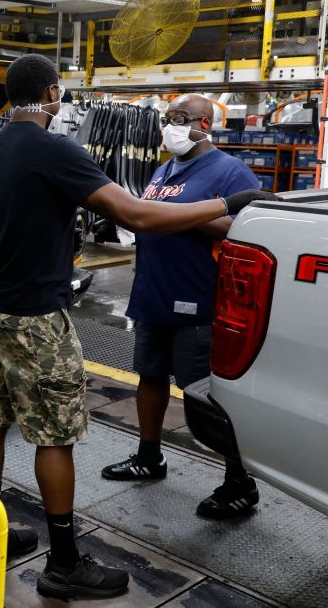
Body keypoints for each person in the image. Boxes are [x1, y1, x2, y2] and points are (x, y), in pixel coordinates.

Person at [0, 54, 273, 600]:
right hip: (33, 314)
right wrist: (226, 202)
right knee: (55, 435)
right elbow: (139, 217)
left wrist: (17, 238)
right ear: (52, 94)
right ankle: (63, 562)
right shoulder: (56, 149)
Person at [101, 94, 261, 518]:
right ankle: (149, 456)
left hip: (198, 300)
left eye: (180, 118)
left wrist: (172, 213)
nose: (170, 126)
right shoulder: (164, 169)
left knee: (207, 399)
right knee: (150, 377)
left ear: (204, 123)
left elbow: (242, 228)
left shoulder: (230, 171)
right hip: (153, 292)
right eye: (167, 119)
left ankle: (239, 482)